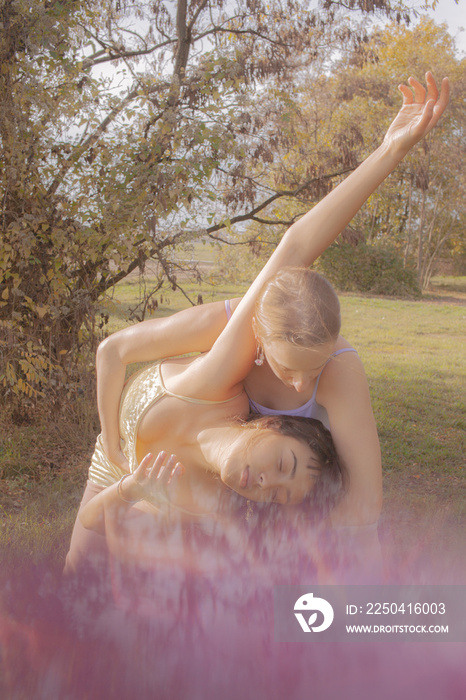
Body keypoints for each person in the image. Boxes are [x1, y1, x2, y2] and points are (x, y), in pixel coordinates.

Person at [65, 72, 449, 575]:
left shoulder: (237, 477)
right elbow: (295, 245)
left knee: (122, 563)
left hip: (177, 467)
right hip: (133, 445)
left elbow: (358, 509)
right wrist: (389, 150)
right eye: (293, 371)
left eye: (312, 371)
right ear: (262, 344)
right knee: (78, 563)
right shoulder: (232, 348)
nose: (303, 385)